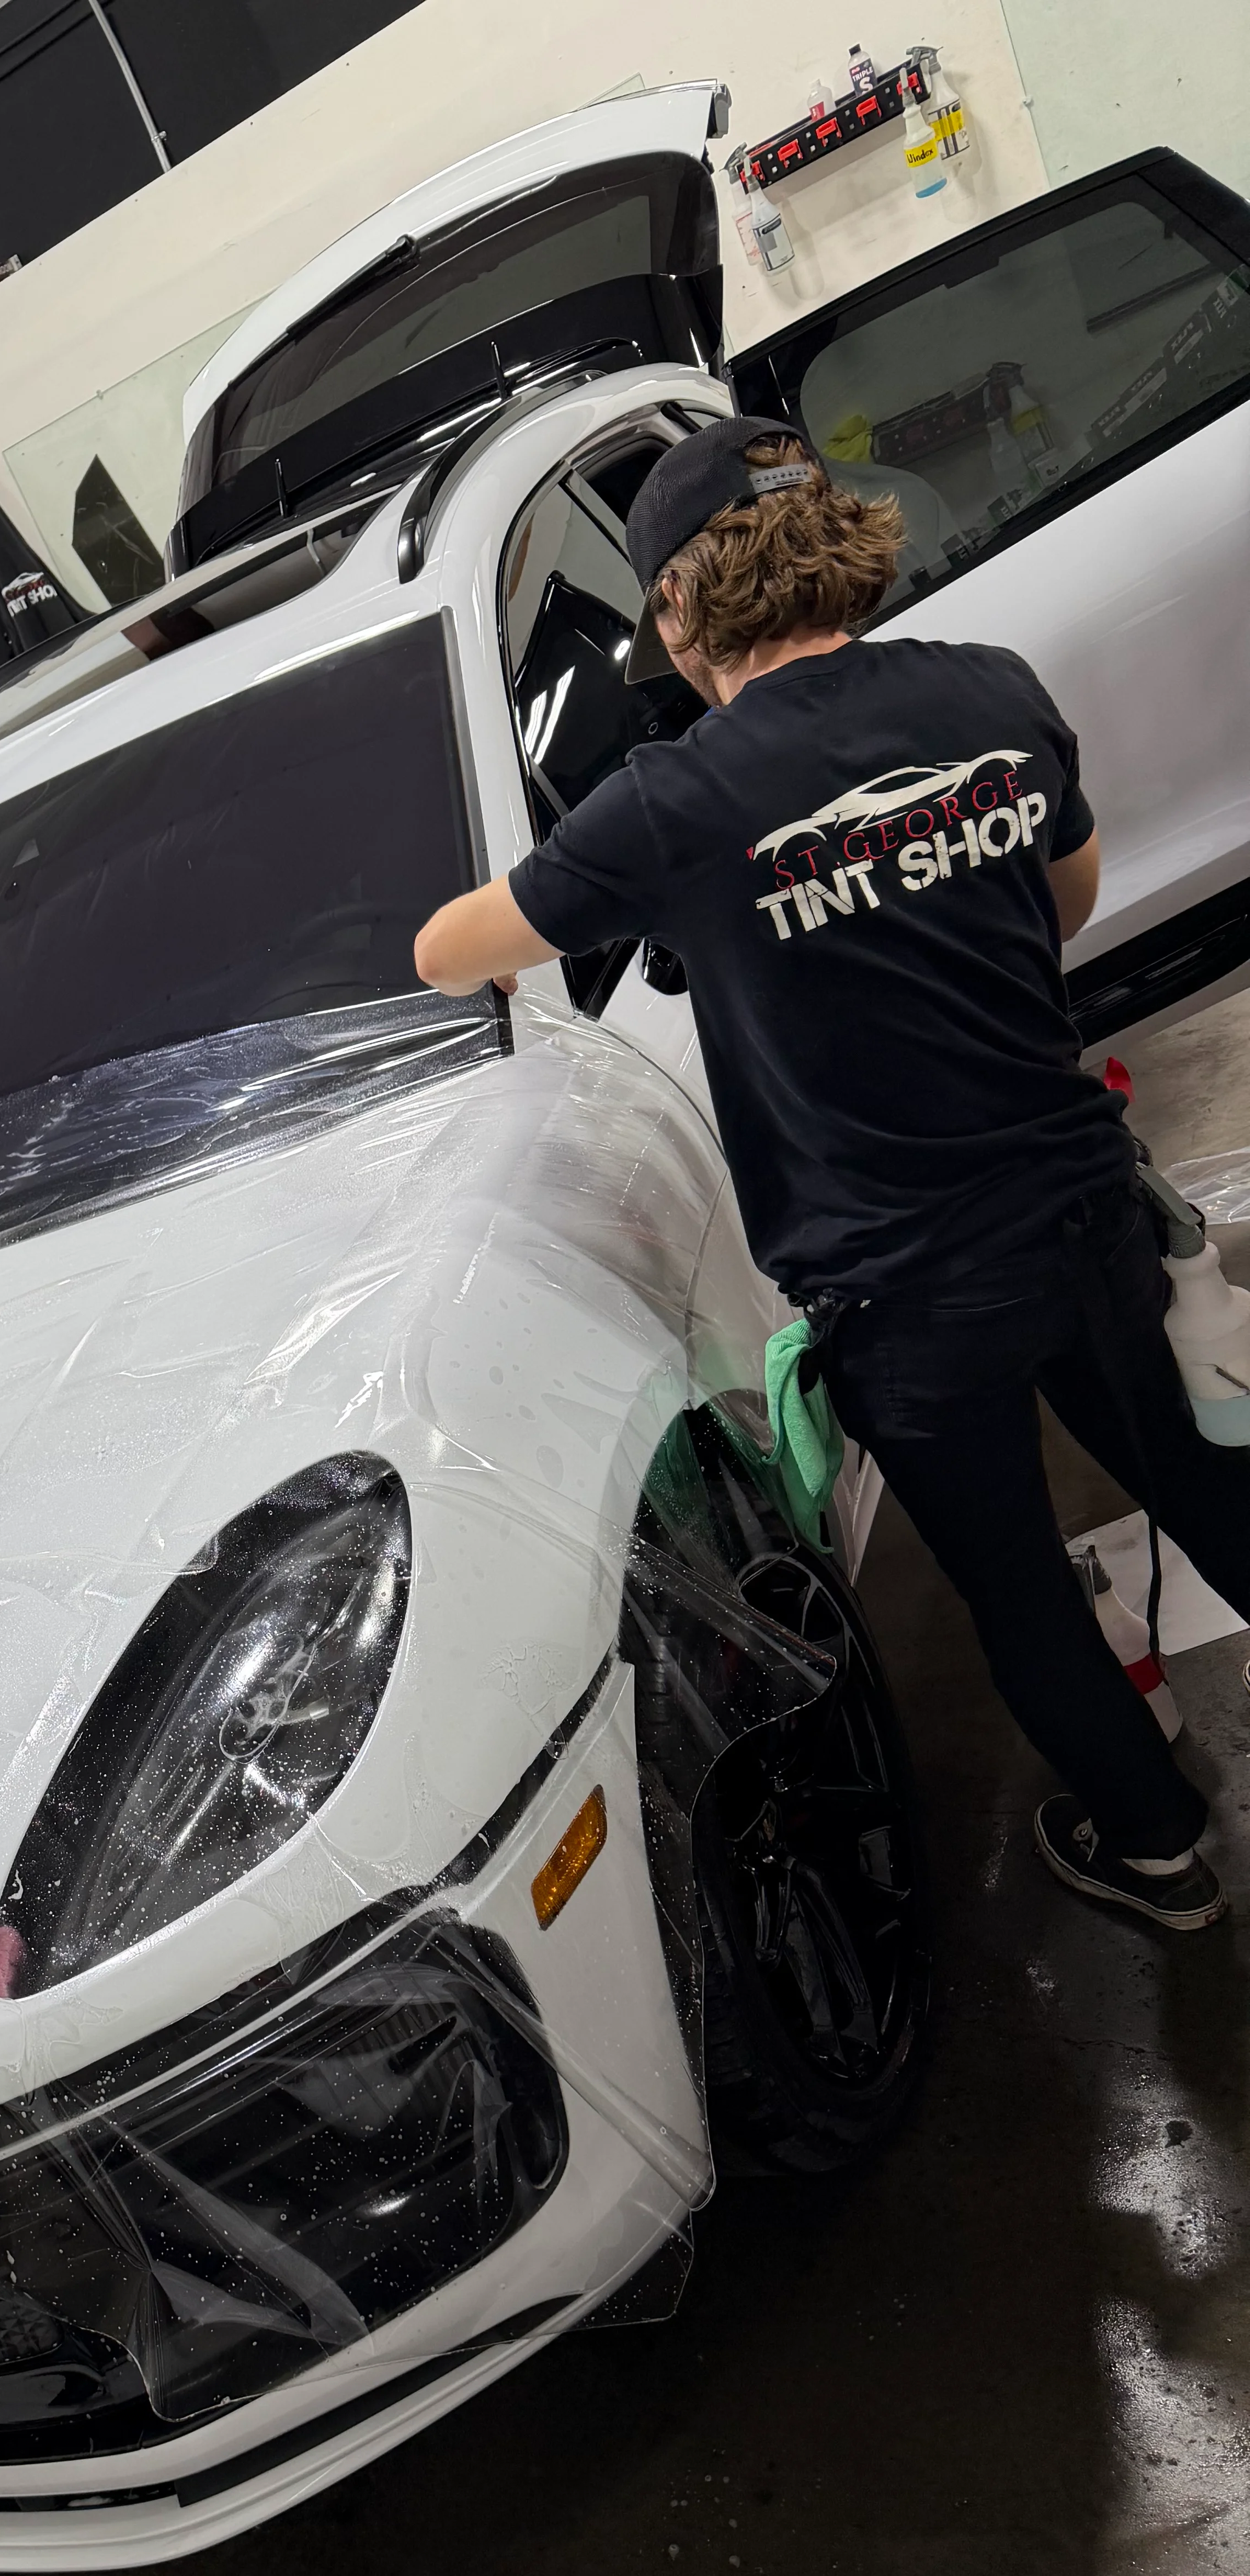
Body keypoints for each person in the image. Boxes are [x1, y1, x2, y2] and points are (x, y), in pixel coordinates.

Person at [414, 412, 1250, 1934]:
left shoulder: (672, 807)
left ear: (676, 608)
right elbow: (1065, 892)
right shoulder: (990, 694)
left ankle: (1155, 1853)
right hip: (1076, 1216)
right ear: (841, 541)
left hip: (906, 1301)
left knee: (1010, 1581)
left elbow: (447, 950)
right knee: (1203, 1476)